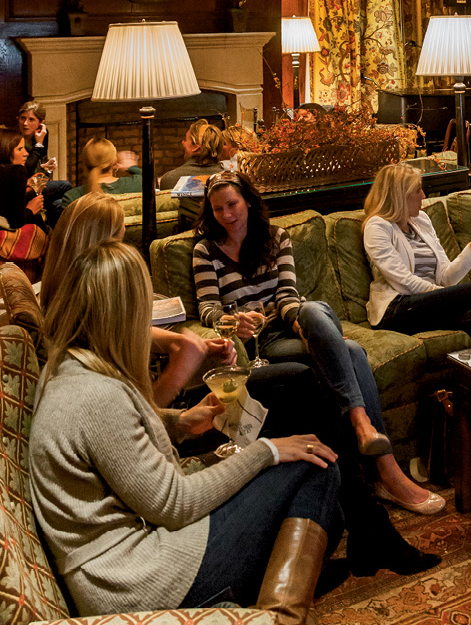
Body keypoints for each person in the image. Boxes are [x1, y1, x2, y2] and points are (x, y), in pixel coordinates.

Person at [30, 241, 342, 622]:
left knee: (309, 473)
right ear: (124, 316)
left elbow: (116, 443)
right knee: (315, 465)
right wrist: (266, 451)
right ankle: (276, 618)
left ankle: (240, 605)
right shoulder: (95, 394)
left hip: (134, 565)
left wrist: (178, 423)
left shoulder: (72, 367)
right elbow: (175, 505)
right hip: (141, 582)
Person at [192, 170, 444, 515]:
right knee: (352, 350)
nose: (228, 215)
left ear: (248, 201)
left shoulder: (276, 237)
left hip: (287, 326)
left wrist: (303, 327)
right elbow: (207, 306)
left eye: (233, 205)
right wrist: (232, 321)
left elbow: (286, 295)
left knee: (310, 310)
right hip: (261, 345)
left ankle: (372, 448)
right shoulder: (205, 250)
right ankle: (382, 460)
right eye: (218, 209)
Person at [41, 193, 236, 406]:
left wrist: (176, 342)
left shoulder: (71, 303)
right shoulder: (81, 358)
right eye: (119, 242)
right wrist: (178, 373)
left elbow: (120, 330)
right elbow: (138, 417)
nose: (123, 252)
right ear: (97, 249)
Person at [362, 162, 471, 346]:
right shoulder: (377, 227)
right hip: (397, 308)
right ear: (401, 195)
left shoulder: (421, 220)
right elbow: (404, 282)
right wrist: (450, 295)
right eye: (418, 190)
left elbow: (446, 278)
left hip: (429, 304)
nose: (423, 195)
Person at [16, 101, 71, 226]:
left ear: (41, 123)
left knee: (58, 203)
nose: (25, 123)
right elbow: (25, 169)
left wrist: (48, 166)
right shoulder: (14, 139)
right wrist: (39, 144)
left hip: (35, 182)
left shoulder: (42, 135)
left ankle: (51, 235)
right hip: (22, 187)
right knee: (65, 185)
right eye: (23, 118)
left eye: (31, 119)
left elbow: (41, 162)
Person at [59, 138, 142, 212]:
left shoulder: (72, 198)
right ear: (114, 162)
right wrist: (131, 167)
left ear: (84, 164)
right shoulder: (138, 183)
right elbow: (149, 179)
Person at [0, 126, 45, 231]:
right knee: (63, 186)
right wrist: (31, 209)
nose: (26, 153)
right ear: (6, 150)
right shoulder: (17, 171)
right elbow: (17, 222)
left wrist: (24, 186)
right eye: (20, 149)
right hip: (8, 237)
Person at [160, 119, 224, 190]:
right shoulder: (229, 178)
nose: (183, 142)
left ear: (196, 147)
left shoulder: (169, 179)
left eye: (186, 140)